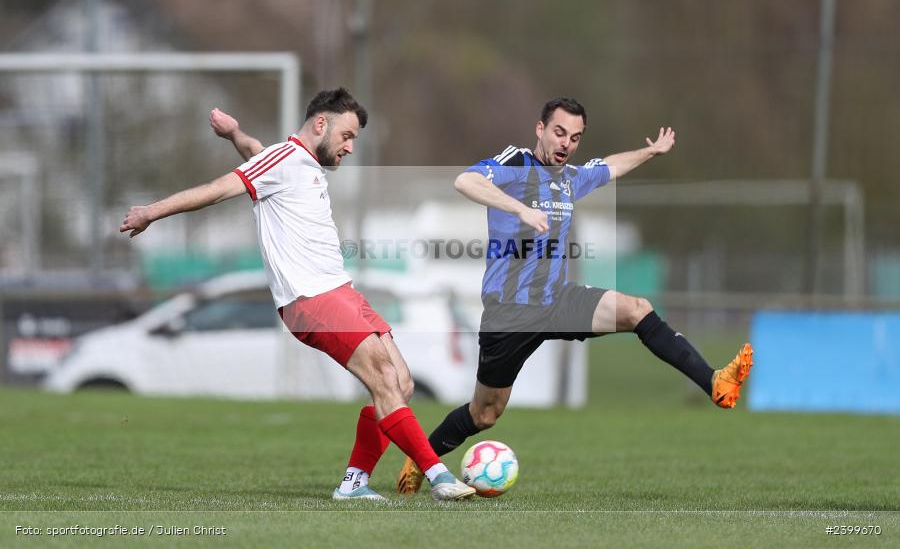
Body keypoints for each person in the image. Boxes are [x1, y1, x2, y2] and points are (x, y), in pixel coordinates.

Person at [120, 88, 475, 502]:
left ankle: (355, 483)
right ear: (320, 124)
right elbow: (217, 189)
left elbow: (256, 152)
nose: (350, 147)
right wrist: (149, 212)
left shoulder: (296, 162)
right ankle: (439, 475)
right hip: (311, 298)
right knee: (382, 379)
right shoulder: (284, 160)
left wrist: (235, 133)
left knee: (401, 381)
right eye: (347, 135)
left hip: (340, 290)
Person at [395, 96, 754, 494]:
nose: (566, 143)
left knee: (638, 310)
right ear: (540, 129)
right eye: (559, 132)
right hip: (509, 314)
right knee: (485, 413)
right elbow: (466, 181)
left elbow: (609, 167)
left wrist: (649, 152)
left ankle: (715, 382)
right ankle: (422, 458)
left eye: (576, 137)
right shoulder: (516, 163)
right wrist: (519, 209)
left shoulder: (570, 177)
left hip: (558, 301)